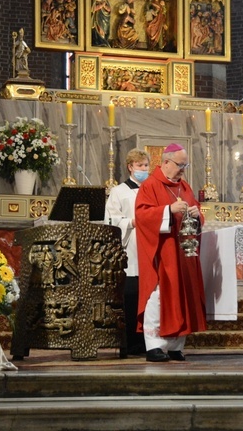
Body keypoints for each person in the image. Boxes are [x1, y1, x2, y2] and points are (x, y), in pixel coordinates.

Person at [134, 143, 206, 362]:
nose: (183, 169)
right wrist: (167, 210)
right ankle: (154, 346)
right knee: (158, 296)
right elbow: (142, 216)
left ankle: (175, 345)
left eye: (186, 165)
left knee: (182, 296)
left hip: (183, 253)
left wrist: (195, 214)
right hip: (161, 252)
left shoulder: (184, 187)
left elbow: (198, 215)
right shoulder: (150, 186)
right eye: (179, 165)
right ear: (165, 162)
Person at [104, 148, 151, 355]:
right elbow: (110, 220)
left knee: (149, 298)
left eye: (146, 165)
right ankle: (131, 343)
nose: (144, 169)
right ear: (130, 167)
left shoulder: (152, 189)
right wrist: (130, 222)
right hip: (130, 249)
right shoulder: (119, 191)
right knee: (131, 296)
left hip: (150, 247)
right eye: (140, 165)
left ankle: (149, 342)